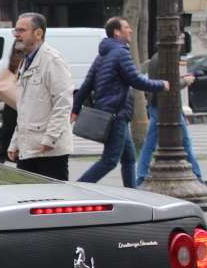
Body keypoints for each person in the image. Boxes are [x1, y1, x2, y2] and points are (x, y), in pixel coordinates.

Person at [70, 17, 169, 188]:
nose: (130, 30)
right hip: (116, 113)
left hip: (112, 113)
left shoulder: (102, 56)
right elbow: (136, 80)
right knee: (110, 160)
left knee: (129, 158)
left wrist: (76, 109)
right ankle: (77, 188)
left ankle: (132, 193)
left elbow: (86, 85)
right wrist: (162, 85)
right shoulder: (121, 53)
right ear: (117, 32)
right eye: (127, 27)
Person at [7, 13, 73, 180]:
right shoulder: (25, 61)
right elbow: (24, 109)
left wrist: (50, 138)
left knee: (53, 200)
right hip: (29, 148)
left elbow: (63, 103)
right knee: (27, 199)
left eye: (21, 30)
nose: (16, 34)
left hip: (48, 150)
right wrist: (15, 142)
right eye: (15, 30)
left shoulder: (52, 60)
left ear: (38, 33)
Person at [136, 53, 207, 189]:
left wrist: (178, 78)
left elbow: (161, 80)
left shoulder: (155, 58)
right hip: (168, 108)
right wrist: (185, 82)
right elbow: (169, 87)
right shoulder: (167, 57)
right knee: (185, 141)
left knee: (149, 144)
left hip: (155, 105)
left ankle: (141, 178)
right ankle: (198, 178)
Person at [0, 47, 25, 163]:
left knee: (8, 126)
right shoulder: (23, 56)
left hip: (16, 100)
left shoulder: (20, 54)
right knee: (9, 126)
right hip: (17, 99)